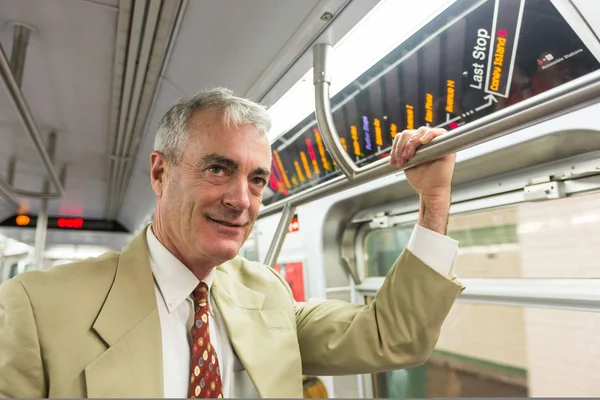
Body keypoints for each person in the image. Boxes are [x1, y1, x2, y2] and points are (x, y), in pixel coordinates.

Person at [0, 88, 463, 398]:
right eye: (218, 169)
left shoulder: (265, 293)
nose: (241, 200)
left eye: (257, 179)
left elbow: (392, 338)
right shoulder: (38, 308)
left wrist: (434, 198)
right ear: (160, 173)